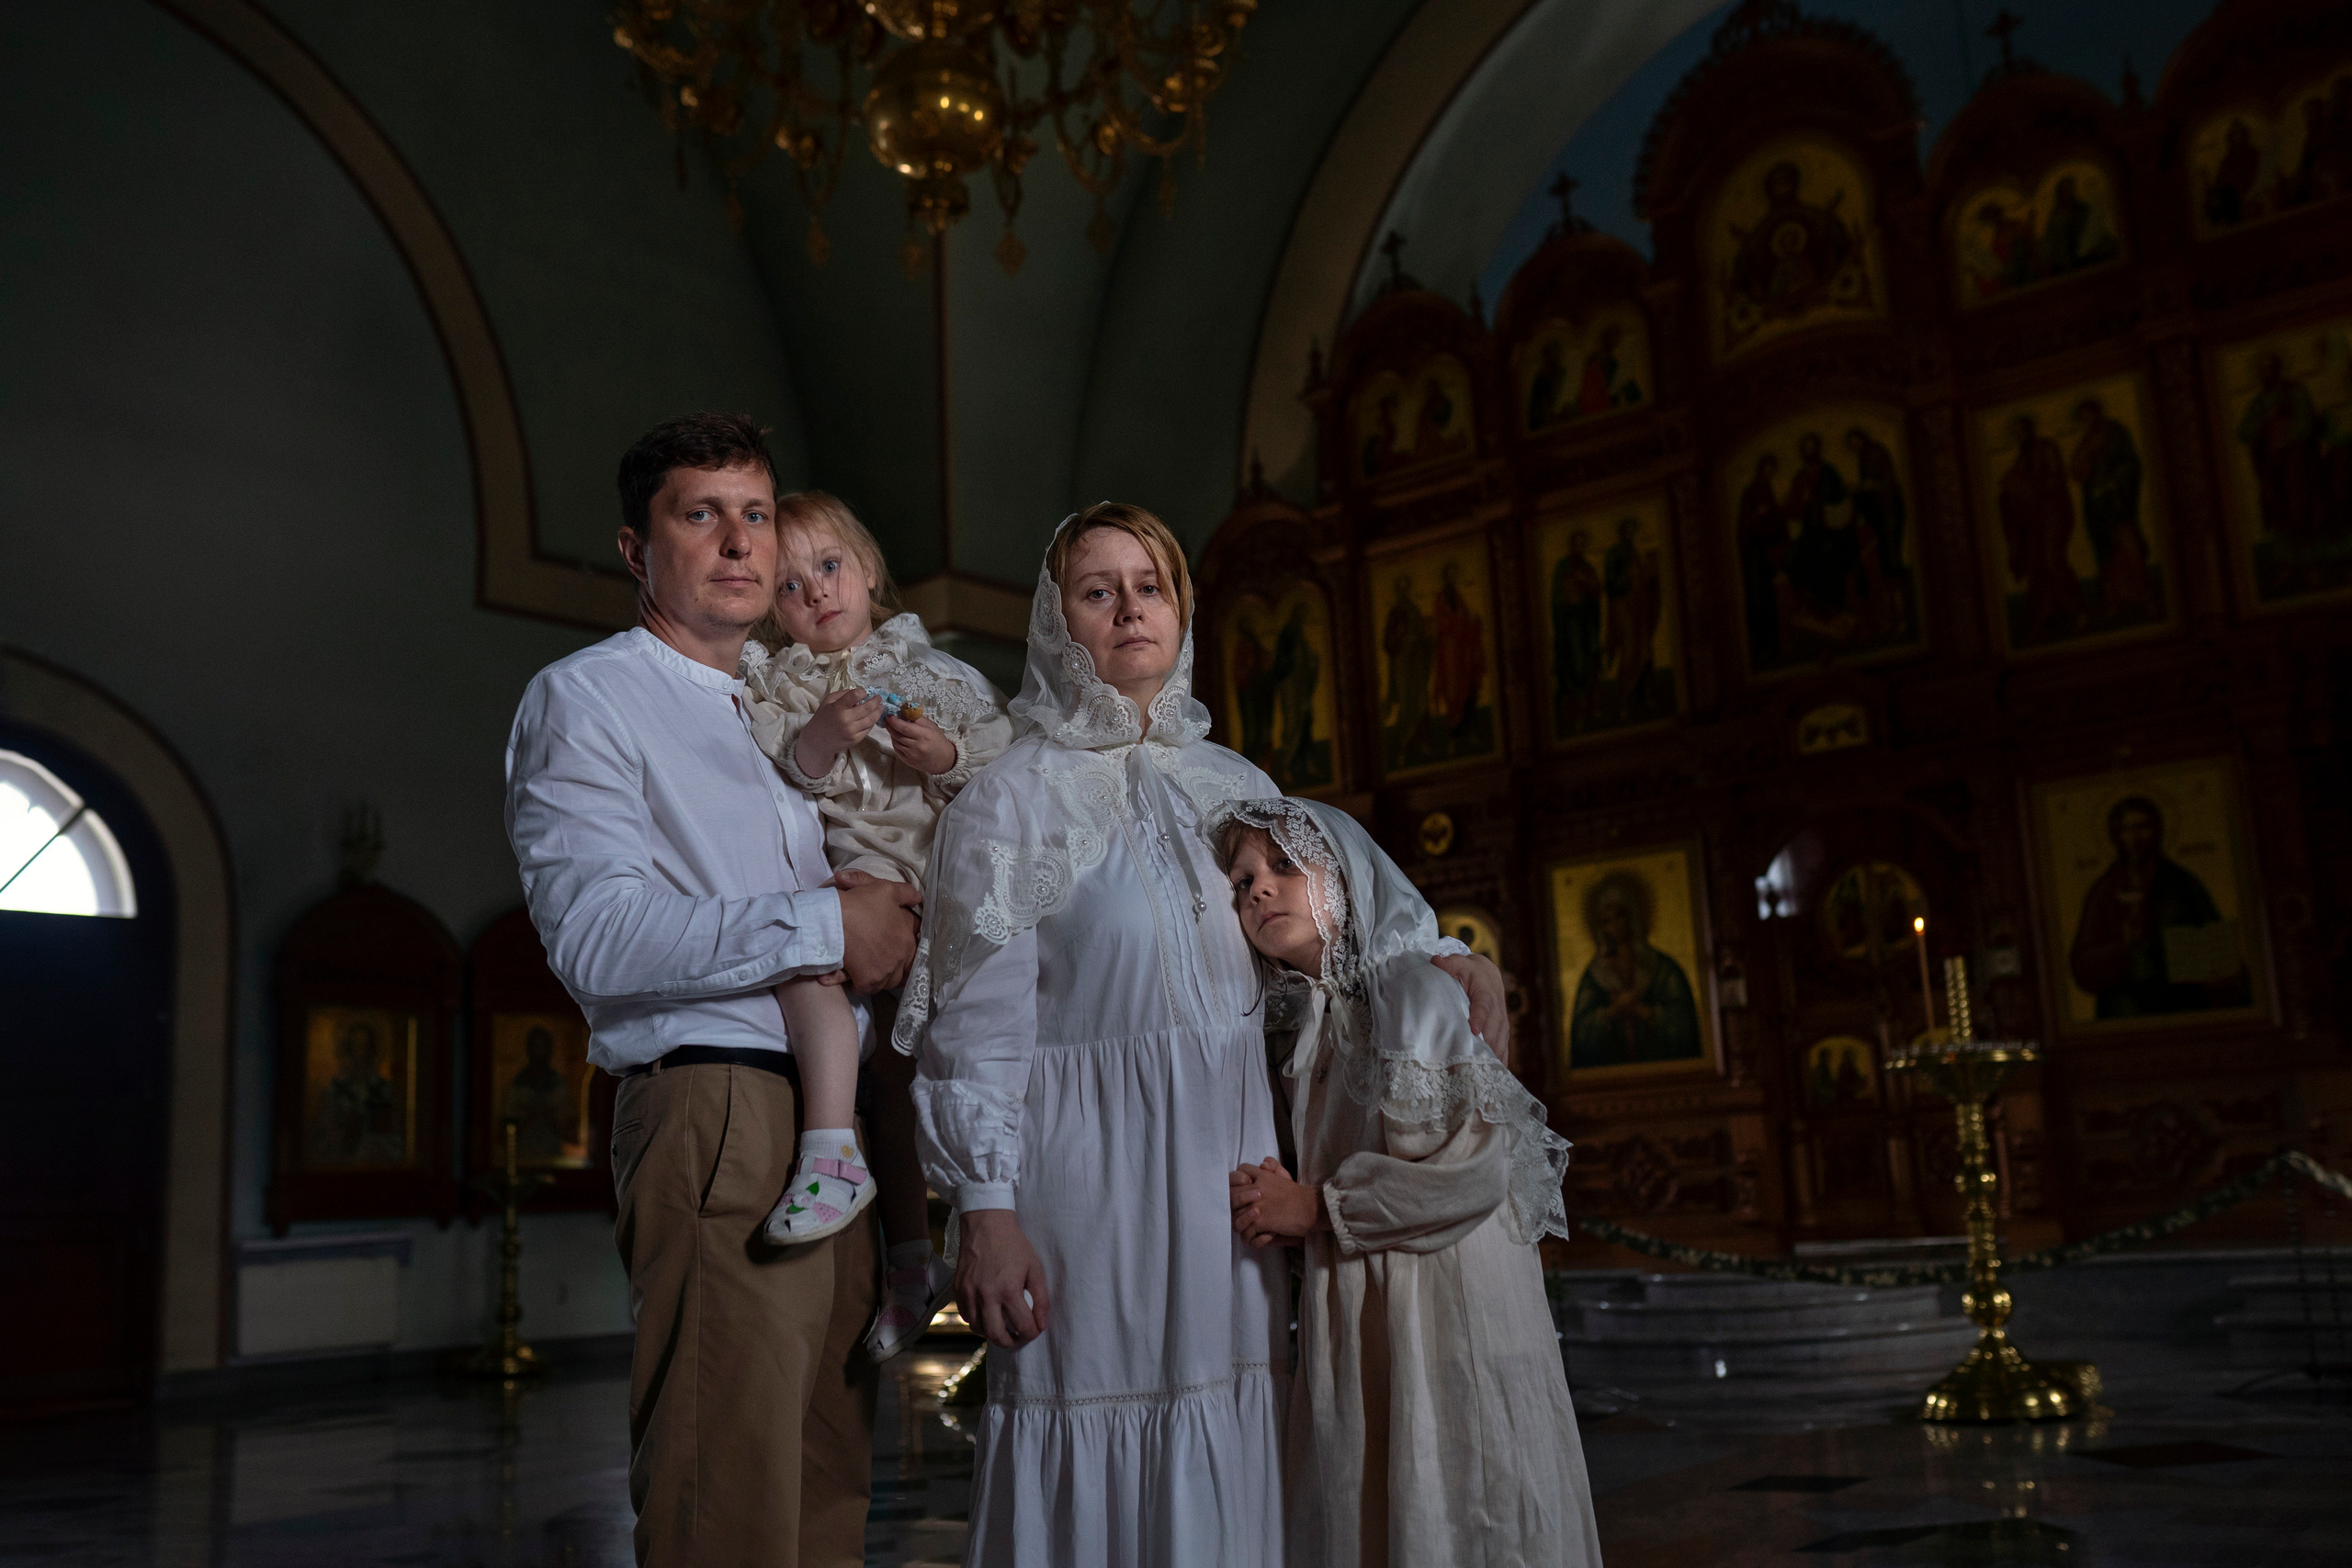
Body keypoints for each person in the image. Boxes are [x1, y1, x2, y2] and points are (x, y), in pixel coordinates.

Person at [899, 503, 1510, 1567]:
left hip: (1229, 1176)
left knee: (1232, 1417)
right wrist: (984, 1212)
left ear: (1181, 609)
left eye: (1152, 584)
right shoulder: (1006, 800)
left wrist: (1458, 954)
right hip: (1082, 1183)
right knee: (1088, 1411)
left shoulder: (1237, 787)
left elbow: (1351, 931)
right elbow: (973, 1030)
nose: (1131, 607)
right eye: (1099, 589)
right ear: (1056, 621)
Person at [505, 412, 922, 1567]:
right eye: (701, 516)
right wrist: (830, 920)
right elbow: (597, 938)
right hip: (717, 1106)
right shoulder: (589, 699)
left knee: (824, 1482)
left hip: (841, 1121)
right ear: (638, 552)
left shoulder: (784, 706)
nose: (742, 543)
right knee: (727, 1491)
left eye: (754, 515)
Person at [1215, 797, 1598, 1568]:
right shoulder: (1316, 1023)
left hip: (1445, 1306)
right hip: (1372, 1302)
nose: (1257, 889)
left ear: (1351, 880)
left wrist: (1314, 1205)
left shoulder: (1414, 993)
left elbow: (1470, 1171)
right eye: (1243, 879)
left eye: (1285, 866)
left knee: (1461, 1493)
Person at [737, 491, 1012, 1358]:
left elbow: (1008, 771)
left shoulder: (935, 672)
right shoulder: (778, 687)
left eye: (829, 568)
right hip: (853, 892)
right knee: (884, 1091)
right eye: (788, 587)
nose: (815, 593)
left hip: (943, 891)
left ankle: (1002, 1234)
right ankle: (903, 1257)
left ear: (867, 571)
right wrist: (817, 737)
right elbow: (782, 783)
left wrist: (949, 757)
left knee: (982, 1075)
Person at [2068, 795, 2250, 1019]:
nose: (2135, 838)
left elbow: (2215, 944)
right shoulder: (2104, 892)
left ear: (2158, 829)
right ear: (2115, 835)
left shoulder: (2183, 884)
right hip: (2126, 1008)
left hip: (2183, 1004)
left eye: (2142, 827)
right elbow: (2083, 963)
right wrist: (2121, 948)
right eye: (2126, 829)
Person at [1567, 871, 1702, 1069]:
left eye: (1620, 916)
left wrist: (1645, 1011)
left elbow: (1683, 1023)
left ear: (1633, 916)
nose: (1615, 926)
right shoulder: (1594, 976)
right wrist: (1613, 1011)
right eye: (1607, 920)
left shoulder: (1663, 968)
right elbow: (1582, 1032)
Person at [1998, 412, 2084, 640]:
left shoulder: (2046, 448)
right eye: (2015, 433)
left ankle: (2075, 609)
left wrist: (2024, 485)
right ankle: (2048, 615)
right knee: (2037, 567)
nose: (2018, 436)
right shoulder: (2021, 457)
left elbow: (2055, 479)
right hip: (2033, 520)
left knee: (2051, 560)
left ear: (2029, 429)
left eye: (2021, 430)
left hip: (2053, 514)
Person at [501, 1026, 576, 1165]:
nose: (540, 1052)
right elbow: (509, 1123)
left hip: (553, 1154)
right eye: (536, 1046)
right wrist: (531, 1116)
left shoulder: (558, 1083)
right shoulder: (519, 1084)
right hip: (523, 1155)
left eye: (543, 1046)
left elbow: (567, 1125)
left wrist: (547, 1115)